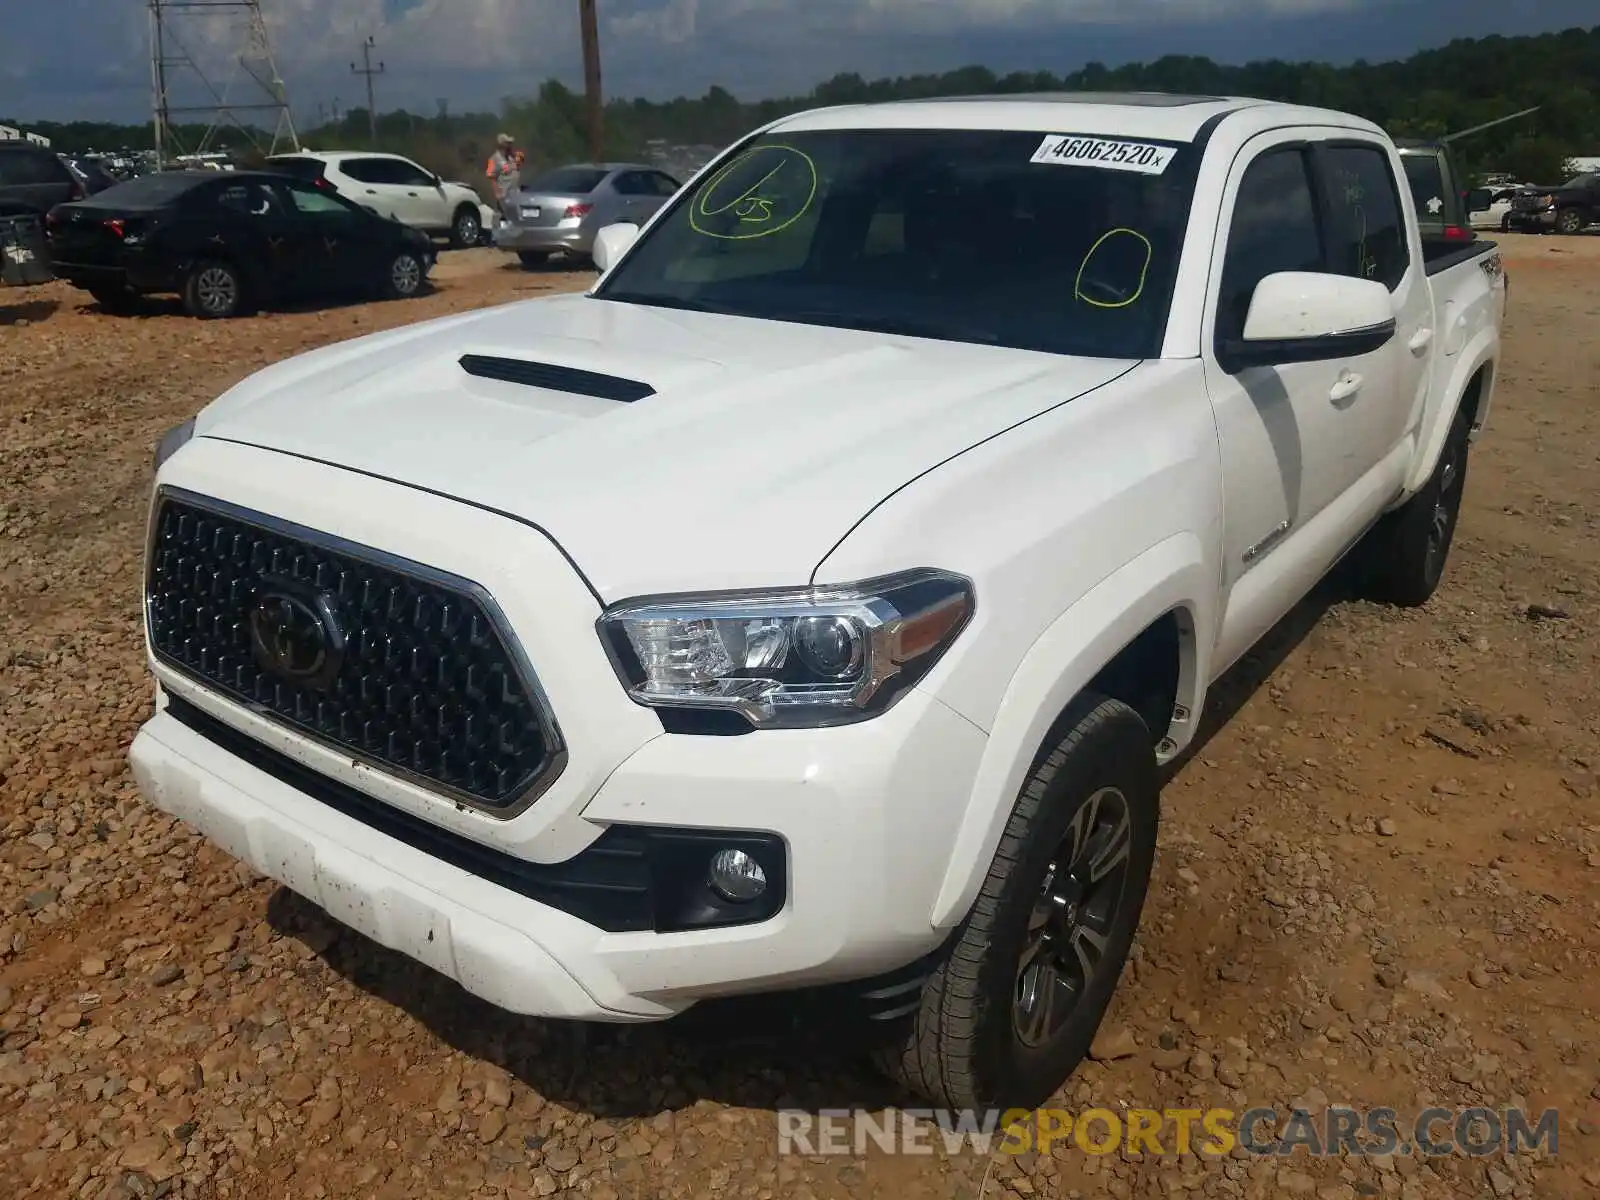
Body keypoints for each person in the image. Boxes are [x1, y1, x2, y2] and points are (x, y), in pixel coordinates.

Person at [486, 133, 525, 213]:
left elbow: (517, 166)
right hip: (504, 195)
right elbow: (491, 176)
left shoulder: (510, 158)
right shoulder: (493, 159)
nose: (511, 145)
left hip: (515, 194)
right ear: (502, 144)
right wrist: (497, 193)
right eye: (508, 143)